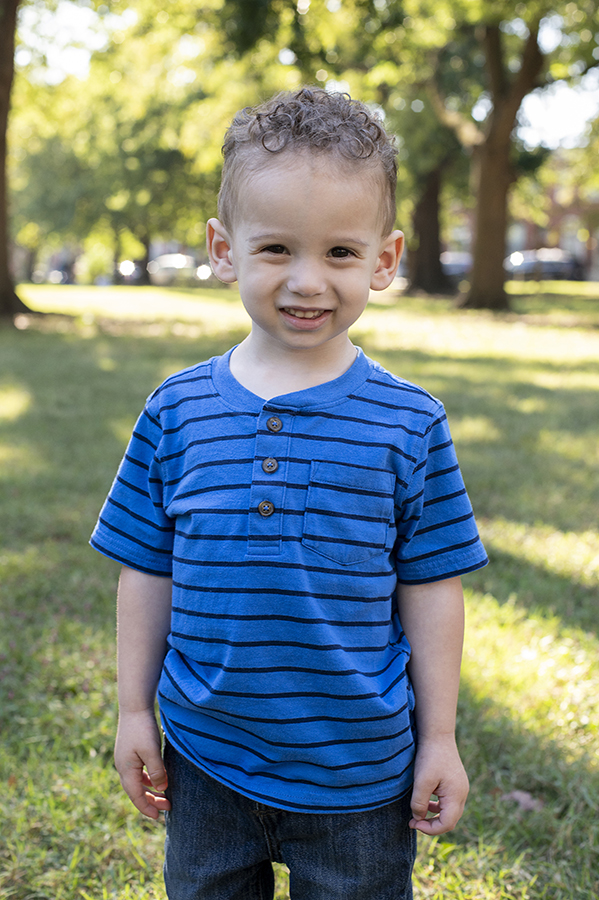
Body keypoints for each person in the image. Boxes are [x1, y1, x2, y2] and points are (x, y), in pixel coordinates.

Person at [91, 87, 488, 900]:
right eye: (276, 248)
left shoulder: (409, 422)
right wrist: (135, 711)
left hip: (360, 771)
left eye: (340, 253)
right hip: (206, 757)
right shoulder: (176, 410)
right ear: (223, 247)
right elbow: (146, 570)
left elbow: (431, 585)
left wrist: (438, 737)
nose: (307, 281)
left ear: (383, 259)